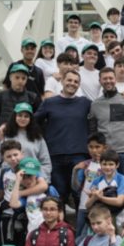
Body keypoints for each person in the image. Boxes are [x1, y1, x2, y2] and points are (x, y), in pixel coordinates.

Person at [34, 69, 92, 207]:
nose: (72, 83)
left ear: (79, 85)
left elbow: (103, 109)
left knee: (80, 193)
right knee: (59, 195)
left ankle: (82, 227)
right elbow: (32, 121)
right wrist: (6, 124)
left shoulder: (85, 103)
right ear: (62, 81)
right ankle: (61, 227)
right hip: (55, 155)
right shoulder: (49, 103)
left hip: (79, 155)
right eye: (69, 80)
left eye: (76, 81)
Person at [88, 67, 124, 195]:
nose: (108, 81)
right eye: (105, 78)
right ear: (100, 81)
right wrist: (95, 152)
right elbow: (93, 132)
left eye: (111, 78)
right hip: (105, 154)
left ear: (116, 79)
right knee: (105, 189)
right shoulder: (95, 104)